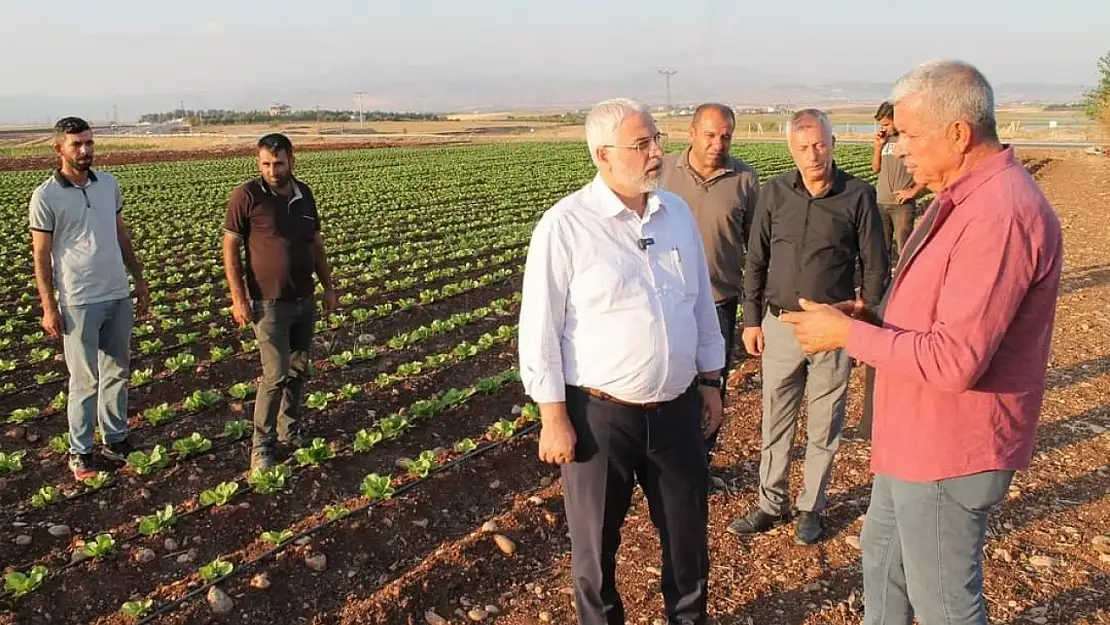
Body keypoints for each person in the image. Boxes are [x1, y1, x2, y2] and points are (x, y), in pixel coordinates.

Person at [780, 60, 1063, 624]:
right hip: (916, 439)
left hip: (949, 447)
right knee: (883, 560)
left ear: (959, 133)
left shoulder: (999, 215)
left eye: (908, 133)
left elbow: (957, 360)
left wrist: (849, 335)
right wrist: (874, 316)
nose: (896, 147)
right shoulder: (963, 194)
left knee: (944, 605)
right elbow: (943, 312)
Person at [518, 98, 725, 625]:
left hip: (677, 410)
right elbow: (539, 328)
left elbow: (700, 302)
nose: (657, 152)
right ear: (603, 154)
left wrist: (709, 379)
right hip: (600, 418)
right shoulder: (565, 227)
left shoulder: (674, 213)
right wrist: (553, 417)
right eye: (643, 144)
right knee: (595, 552)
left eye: (656, 139)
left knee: (687, 540)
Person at [727, 109, 888, 545]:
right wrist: (752, 319)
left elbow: (876, 266)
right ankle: (769, 503)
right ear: (791, 149)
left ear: (833, 143)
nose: (813, 155)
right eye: (803, 147)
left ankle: (811, 508)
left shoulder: (858, 195)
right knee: (775, 419)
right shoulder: (774, 192)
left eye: (820, 144)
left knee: (824, 422)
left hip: (833, 327)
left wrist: (864, 324)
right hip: (779, 326)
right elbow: (755, 260)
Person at [28, 116, 150, 480]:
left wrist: (139, 280)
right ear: (59, 149)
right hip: (79, 299)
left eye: (88, 143)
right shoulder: (46, 196)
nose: (84, 150)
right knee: (84, 381)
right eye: (76, 144)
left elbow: (120, 234)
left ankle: (115, 438)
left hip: (116, 292)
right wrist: (49, 306)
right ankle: (80, 451)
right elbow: (40, 256)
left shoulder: (108, 184)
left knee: (117, 371)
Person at [222, 133, 338, 471]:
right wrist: (238, 296)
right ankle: (262, 447)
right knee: (274, 375)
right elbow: (230, 248)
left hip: (304, 299)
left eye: (279, 163)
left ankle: (290, 430)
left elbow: (315, 243)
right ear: (259, 163)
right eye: (266, 164)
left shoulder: (305, 195)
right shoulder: (247, 196)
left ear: (291, 161)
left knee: (298, 370)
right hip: (268, 302)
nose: (272, 170)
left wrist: (328, 286)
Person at [659, 102, 760, 457]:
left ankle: (701, 458)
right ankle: (667, 457)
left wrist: (754, 311)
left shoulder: (744, 179)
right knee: (667, 378)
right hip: (666, 299)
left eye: (725, 137)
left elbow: (757, 248)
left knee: (711, 383)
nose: (718, 144)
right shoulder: (663, 171)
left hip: (718, 299)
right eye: (710, 135)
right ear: (692, 134)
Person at [871, 100, 927, 264]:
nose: (884, 129)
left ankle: (906, 284)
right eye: (882, 125)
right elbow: (875, 168)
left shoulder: (911, 140)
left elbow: (928, 169)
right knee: (882, 249)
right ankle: (885, 286)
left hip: (901, 205)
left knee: (905, 249)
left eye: (887, 124)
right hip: (881, 202)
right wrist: (878, 146)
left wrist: (913, 191)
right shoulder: (885, 140)